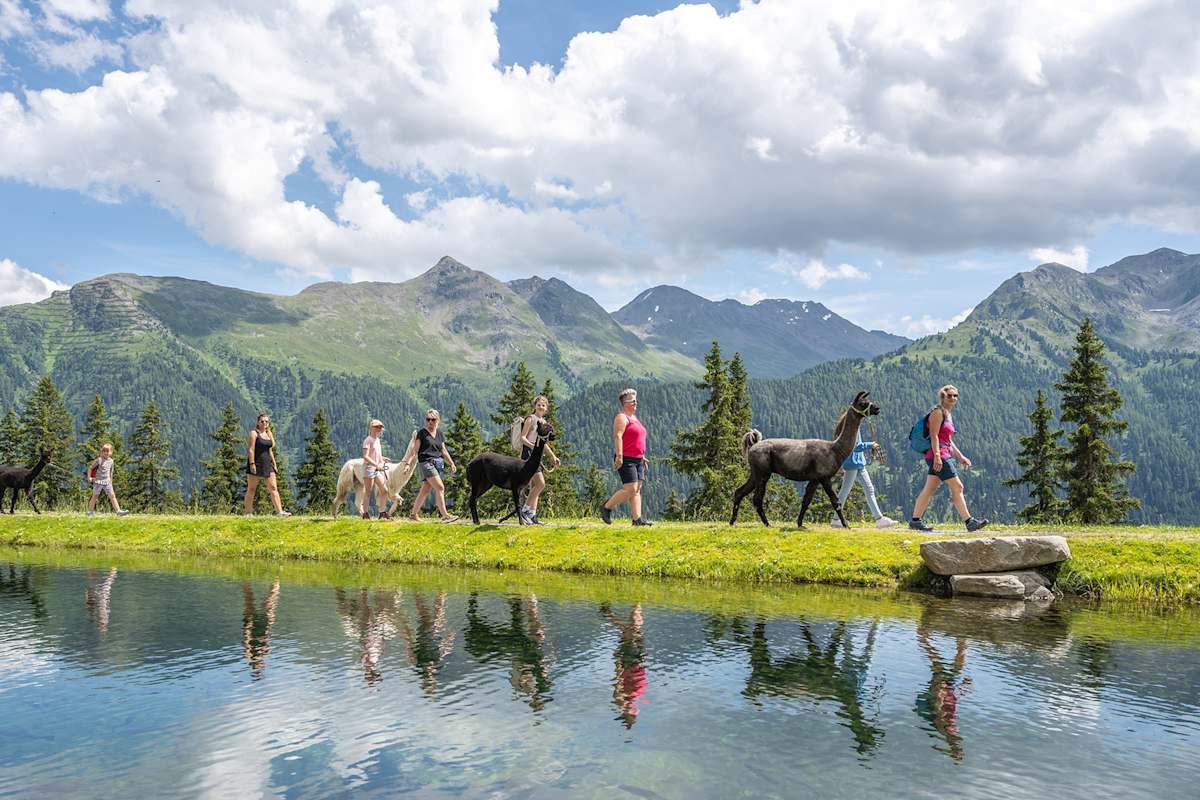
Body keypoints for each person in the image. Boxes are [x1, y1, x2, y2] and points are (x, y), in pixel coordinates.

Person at [910, 385, 988, 532]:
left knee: (929, 488)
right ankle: (969, 521)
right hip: (938, 455)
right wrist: (938, 457)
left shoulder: (948, 414)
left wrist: (960, 456)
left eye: (955, 396)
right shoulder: (937, 413)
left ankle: (915, 521)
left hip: (943, 454)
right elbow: (934, 436)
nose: (953, 398)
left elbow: (948, 439)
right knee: (958, 486)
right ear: (943, 397)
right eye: (949, 395)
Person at [599, 388, 652, 526]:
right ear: (625, 402)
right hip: (626, 457)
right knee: (630, 489)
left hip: (638, 458)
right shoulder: (621, 417)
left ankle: (637, 519)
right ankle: (606, 507)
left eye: (636, 400)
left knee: (637, 488)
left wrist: (643, 456)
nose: (636, 403)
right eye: (633, 401)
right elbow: (618, 436)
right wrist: (619, 456)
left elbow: (636, 439)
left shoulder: (634, 418)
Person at [831, 428, 898, 528]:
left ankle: (879, 519)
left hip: (858, 463)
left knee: (868, 489)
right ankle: (836, 519)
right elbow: (854, 446)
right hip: (853, 463)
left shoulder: (851, 425)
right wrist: (870, 445)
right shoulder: (853, 427)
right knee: (845, 491)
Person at [404, 409, 458, 522]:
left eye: (433, 419)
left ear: (438, 420)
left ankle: (413, 515)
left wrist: (451, 463)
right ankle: (445, 515)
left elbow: (443, 450)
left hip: (438, 463)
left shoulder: (439, 434)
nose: (430, 422)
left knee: (425, 490)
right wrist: (408, 463)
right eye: (428, 419)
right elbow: (414, 451)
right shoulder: (422, 433)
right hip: (426, 462)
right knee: (440, 487)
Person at [517, 394, 562, 525]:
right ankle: (525, 510)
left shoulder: (543, 422)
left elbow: (544, 443)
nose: (541, 407)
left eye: (543, 405)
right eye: (539, 404)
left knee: (535, 485)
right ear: (534, 406)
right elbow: (523, 437)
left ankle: (532, 515)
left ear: (546, 408)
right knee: (541, 484)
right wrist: (534, 447)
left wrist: (553, 456)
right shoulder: (530, 419)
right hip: (529, 453)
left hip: (537, 454)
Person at [245, 413, 290, 517]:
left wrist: (274, 464)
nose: (264, 423)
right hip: (256, 463)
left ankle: (280, 512)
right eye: (262, 421)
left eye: (266, 421)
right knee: (252, 489)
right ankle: (248, 512)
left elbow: (270, 451)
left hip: (267, 464)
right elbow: (251, 449)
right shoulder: (254, 433)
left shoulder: (268, 434)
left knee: (273, 488)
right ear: (258, 422)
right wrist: (252, 464)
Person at [86, 443, 128, 516]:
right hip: (98, 481)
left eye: (107, 451)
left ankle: (118, 511)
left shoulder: (111, 461)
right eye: (104, 451)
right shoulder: (99, 460)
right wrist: (89, 477)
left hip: (107, 482)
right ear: (101, 452)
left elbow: (111, 471)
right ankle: (90, 512)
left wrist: (110, 480)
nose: (106, 453)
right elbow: (90, 468)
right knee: (94, 496)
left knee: (112, 496)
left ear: (111, 452)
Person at [361, 419, 390, 520]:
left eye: (380, 427)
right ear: (372, 428)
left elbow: (375, 455)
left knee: (385, 490)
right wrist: (376, 464)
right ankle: (365, 513)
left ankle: (382, 512)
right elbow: (365, 456)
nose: (379, 429)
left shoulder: (377, 440)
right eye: (377, 427)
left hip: (376, 468)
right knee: (368, 492)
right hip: (369, 469)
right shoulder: (368, 440)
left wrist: (382, 458)